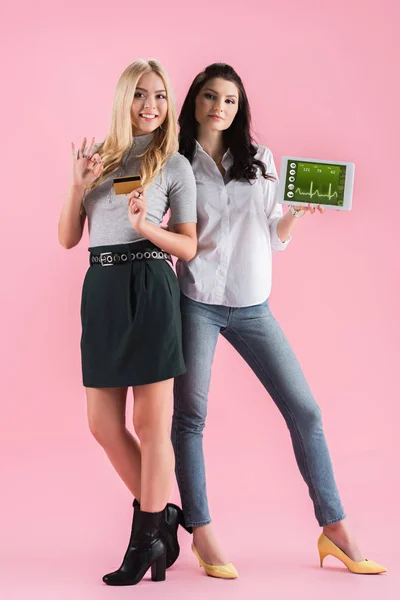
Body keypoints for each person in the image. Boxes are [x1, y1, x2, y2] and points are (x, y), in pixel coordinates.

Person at [172, 63, 387, 578]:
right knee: (191, 419)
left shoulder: (261, 160)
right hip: (195, 300)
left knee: (306, 412)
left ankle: (333, 527)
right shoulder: (178, 162)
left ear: (238, 107)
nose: (219, 107)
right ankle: (202, 532)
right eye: (210, 97)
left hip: (252, 304)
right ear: (195, 102)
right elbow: (162, 220)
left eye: (229, 100)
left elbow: (272, 233)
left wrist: (295, 212)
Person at [58, 59, 196, 586]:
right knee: (102, 423)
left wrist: (147, 227)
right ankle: (162, 517)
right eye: (140, 95)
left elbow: (188, 244)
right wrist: (77, 185)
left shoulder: (174, 164)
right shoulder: (100, 159)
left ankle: (143, 543)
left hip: (151, 285)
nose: (151, 106)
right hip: (103, 290)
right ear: (123, 99)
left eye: (160, 96)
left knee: (151, 425)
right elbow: (69, 238)